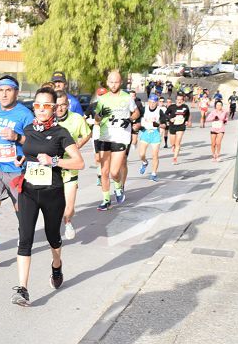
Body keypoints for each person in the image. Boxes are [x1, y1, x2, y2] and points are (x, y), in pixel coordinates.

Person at [10, 86, 84, 306]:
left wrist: (53, 161)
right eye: (37, 105)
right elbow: (28, 152)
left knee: (53, 236)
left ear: (54, 108)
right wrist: (21, 160)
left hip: (53, 193)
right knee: (25, 240)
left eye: (46, 106)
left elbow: (79, 162)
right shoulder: (28, 129)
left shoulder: (61, 133)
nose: (41, 110)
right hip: (29, 192)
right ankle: (22, 289)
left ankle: (57, 264)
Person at [0, 75, 35, 265]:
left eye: (8, 90)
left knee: (21, 210)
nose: (4, 94)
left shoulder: (25, 114)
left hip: (17, 170)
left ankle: (24, 239)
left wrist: (17, 137)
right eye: (1, 90)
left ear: (16, 92)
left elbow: (34, 142)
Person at [93, 70, 138, 211]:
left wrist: (129, 119)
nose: (113, 85)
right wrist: (100, 115)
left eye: (116, 82)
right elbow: (96, 119)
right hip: (105, 136)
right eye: (111, 82)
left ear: (121, 82)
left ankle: (118, 186)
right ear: (107, 82)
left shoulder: (127, 97)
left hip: (121, 137)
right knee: (104, 171)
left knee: (114, 172)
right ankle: (106, 200)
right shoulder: (102, 99)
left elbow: (136, 112)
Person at [55, 90, 90, 239]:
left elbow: (87, 133)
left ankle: (68, 221)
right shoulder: (46, 120)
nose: (60, 109)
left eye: (63, 105)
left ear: (68, 105)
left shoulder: (77, 119)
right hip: (52, 168)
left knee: (68, 207)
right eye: (56, 106)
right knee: (55, 204)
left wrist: (78, 145)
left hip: (70, 166)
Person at [137, 93, 165, 182]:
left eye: (154, 102)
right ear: (148, 102)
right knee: (141, 154)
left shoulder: (160, 111)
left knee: (155, 155)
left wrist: (158, 124)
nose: (152, 104)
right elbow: (137, 117)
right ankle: (144, 162)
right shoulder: (143, 109)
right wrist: (137, 125)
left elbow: (164, 125)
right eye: (151, 102)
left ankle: (153, 174)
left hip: (155, 134)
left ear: (157, 103)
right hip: (145, 132)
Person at [166, 91, 191, 165]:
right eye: (178, 99)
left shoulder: (185, 107)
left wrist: (186, 121)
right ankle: (173, 146)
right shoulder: (172, 107)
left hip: (181, 126)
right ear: (176, 100)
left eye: (181, 99)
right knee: (172, 142)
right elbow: (166, 114)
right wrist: (170, 119)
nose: (179, 101)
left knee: (178, 142)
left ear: (183, 100)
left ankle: (175, 158)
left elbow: (187, 114)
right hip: (173, 125)